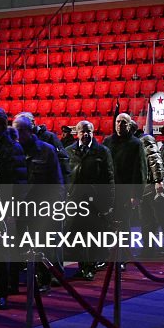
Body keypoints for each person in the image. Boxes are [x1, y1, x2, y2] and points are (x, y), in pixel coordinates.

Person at [13, 114, 65, 290]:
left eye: (20, 131)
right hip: (20, 205)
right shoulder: (13, 149)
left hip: (42, 204)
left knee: (43, 243)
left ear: (29, 131)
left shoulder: (46, 149)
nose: (17, 134)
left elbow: (57, 180)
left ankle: (46, 278)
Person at [0, 106, 27, 309]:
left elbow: (17, 180)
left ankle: (1, 291)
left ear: (0, 123)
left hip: (5, 205)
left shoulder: (12, 147)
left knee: (0, 252)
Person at [65, 120, 115, 279]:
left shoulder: (102, 151)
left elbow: (109, 177)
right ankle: (82, 265)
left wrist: (108, 201)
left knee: (92, 236)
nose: (85, 134)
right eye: (82, 131)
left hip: (95, 201)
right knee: (76, 235)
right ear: (77, 133)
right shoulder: (69, 151)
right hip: (74, 200)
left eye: (89, 131)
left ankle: (90, 267)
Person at [103, 113, 146, 234]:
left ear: (129, 125)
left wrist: (136, 194)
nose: (119, 124)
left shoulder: (136, 144)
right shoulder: (107, 141)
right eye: (118, 121)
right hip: (109, 190)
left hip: (125, 191)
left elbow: (139, 170)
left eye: (123, 122)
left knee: (124, 223)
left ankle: (124, 252)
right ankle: (110, 251)